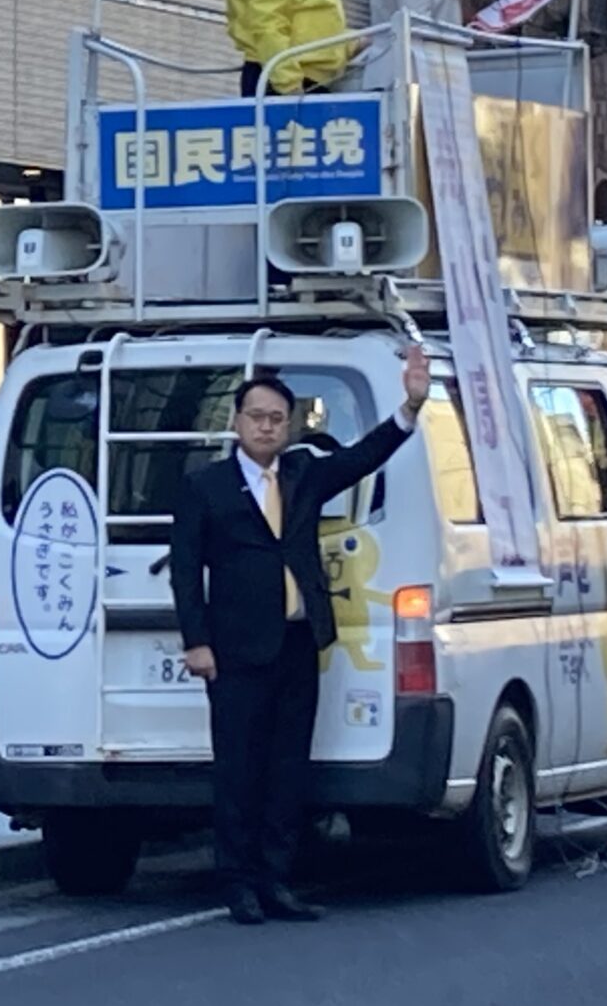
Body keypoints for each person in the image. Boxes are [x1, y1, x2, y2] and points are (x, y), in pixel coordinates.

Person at [168, 349, 430, 926]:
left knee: (288, 766)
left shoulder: (304, 472)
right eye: (256, 416)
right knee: (239, 769)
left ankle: (277, 880)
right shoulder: (204, 486)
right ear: (236, 423)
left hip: (296, 642)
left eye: (277, 418)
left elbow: (363, 458)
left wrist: (409, 407)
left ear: (290, 425)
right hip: (235, 649)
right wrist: (196, 641)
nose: (266, 426)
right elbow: (185, 569)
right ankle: (237, 883)